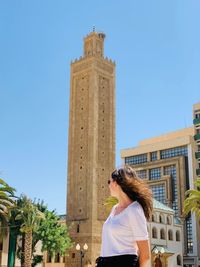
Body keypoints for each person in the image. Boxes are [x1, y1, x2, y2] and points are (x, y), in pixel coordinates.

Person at [96, 165, 153, 267]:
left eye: (109, 182)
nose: (108, 186)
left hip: (124, 262)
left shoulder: (134, 210)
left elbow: (145, 255)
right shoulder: (114, 209)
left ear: (116, 183)